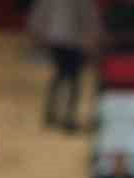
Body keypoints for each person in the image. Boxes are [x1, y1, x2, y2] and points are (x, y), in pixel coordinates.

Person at [30, 0, 98, 132]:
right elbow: (88, 17)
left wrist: (39, 34)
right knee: (73, 79)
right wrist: (92, 39)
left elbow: (39, 14)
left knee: (61, 76)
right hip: (73, 41)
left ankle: (52, 113)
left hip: (59, 40)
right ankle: (67, 117)